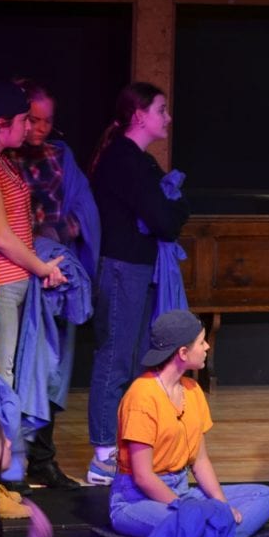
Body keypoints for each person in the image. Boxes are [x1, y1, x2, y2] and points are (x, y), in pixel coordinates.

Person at [97, 310, 269, 537]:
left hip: (182, 490)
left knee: (264, 495)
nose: (207, 347)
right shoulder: (142, 396)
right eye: (201, 342)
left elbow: (201, 460)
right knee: (196, 525)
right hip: (137, 500)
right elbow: (143, 476)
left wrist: (220, 505)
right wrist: (191, 508)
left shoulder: (193, 391)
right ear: (182, 353)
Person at [86, 82, 189, 485]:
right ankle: (103, 457)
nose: (168, 117)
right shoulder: (123, 159)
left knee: (134, 362)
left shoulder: (142, 161)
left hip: (140, 268)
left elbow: (177, 211)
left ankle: (128, 449)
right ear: (139, 115)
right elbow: (165, 218)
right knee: (115, 357)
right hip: (121, 268)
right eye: (161, 109)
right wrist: (169, 211)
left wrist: (171, 210)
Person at [9, 78, 100, 490]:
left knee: (53, 366)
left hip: (57, 272)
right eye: (33, 119)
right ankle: (12, 462)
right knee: (21, 366)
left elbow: (83, 207)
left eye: (48, 121)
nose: (41, 128)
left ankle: (43, 459)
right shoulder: (4, 159)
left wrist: (63, 232)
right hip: (17, 272)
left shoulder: (60, 155)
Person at [0, 81, 65, 395]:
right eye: (23, 120)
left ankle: (7, 428)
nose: (29, 127)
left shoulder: (2, 161)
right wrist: (43, 268)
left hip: (15, 283)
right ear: (1, 123)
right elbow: (2, 236)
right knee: (0, 373)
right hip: (0, 286)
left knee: (13, 372)